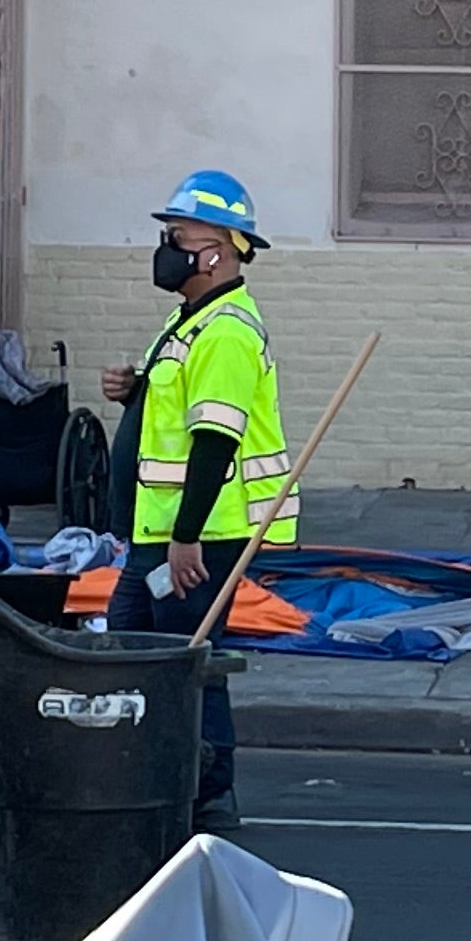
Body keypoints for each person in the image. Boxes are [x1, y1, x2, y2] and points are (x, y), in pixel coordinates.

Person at [99, 171, 294, 834]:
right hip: (158, 532)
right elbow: (176, 416)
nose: (167, 248)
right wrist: (134, 390)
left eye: (178, 237)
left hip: (197, 537)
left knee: (189, 661)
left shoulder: (228, 335)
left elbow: (214, 443)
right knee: (134, 641)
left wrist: (185, 537)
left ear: (216, 253)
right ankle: (153, 774)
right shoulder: (189, 321)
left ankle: (209, 792)